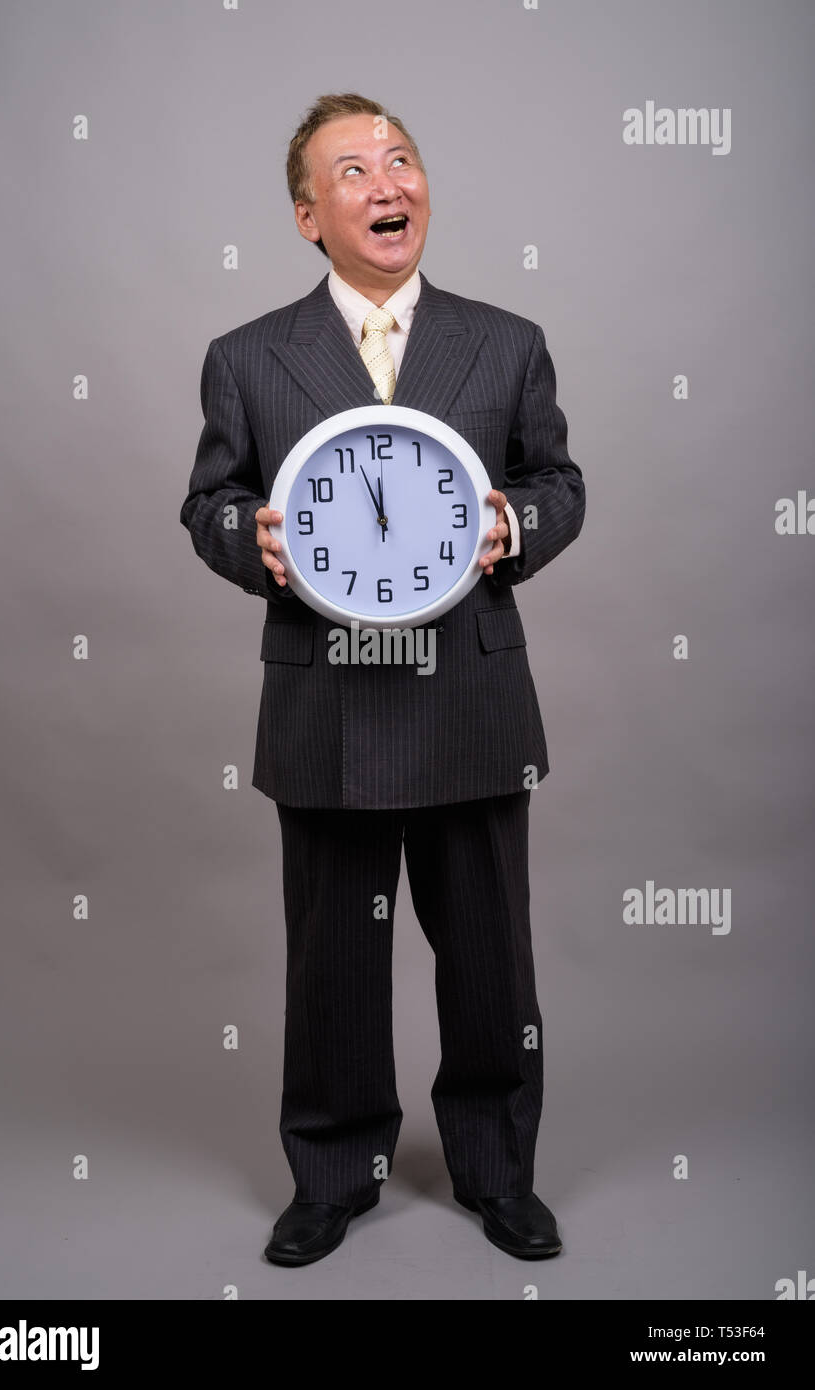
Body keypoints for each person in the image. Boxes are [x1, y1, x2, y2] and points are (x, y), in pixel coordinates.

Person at [180, 93, 585, 1266]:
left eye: (399, 159)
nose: (385, 181)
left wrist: (518, 526)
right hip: (328, 698)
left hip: (470, 691)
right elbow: (207, 502)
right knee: (334, 963)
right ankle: (334, 1172)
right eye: (351, 169)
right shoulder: (247, 359)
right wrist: (240, 537)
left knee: (492, 951)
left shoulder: (506, 342)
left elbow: (560, 481)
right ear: (311, 216)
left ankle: (499, 1171)